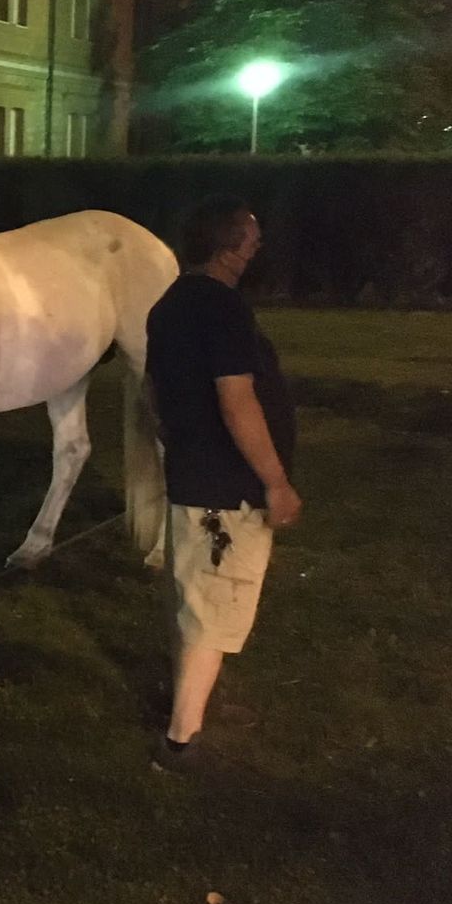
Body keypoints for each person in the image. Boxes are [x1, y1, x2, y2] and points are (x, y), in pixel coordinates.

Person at [144, 195, 301, 773]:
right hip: (228, 490)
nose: (257, 248)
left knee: (194, 598)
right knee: (216, 610)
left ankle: (194, 700)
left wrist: (177, 440)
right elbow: (237, 401)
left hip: (192, 478)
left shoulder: (167, 306)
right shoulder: (223, 308)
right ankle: (180, 741)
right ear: (231, 247)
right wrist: (276, 483)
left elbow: (155, 392)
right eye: (252, 240)